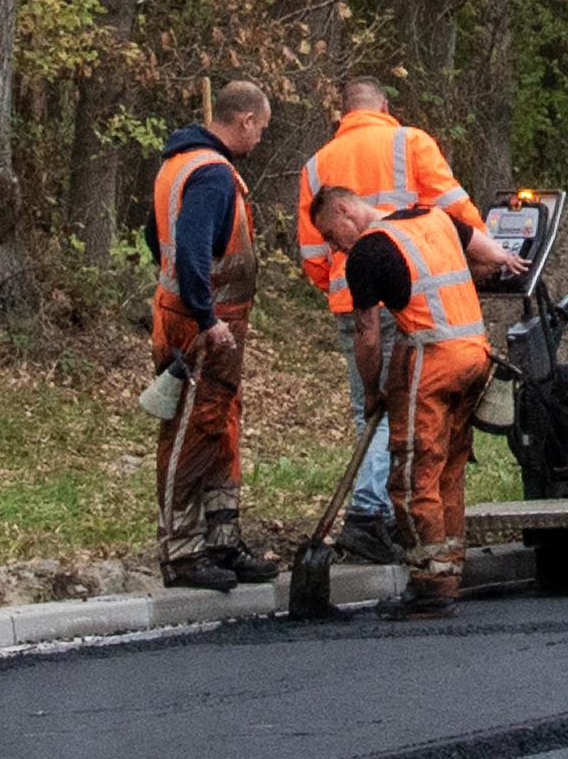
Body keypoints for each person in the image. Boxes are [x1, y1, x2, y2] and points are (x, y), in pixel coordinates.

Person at [317, 172, 526, 614]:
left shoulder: (369, 251)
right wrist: (508, 258)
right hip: (476, 356)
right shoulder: (435, 217)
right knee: (450, 467)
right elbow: (484, 249)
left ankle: (430, 583)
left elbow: (368, 336)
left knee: (414, 473)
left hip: (431, 362)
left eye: (330, 235)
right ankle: (449, 565)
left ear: (345, 210)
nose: (333, 248)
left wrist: (373, 390)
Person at [144, 80, 272, 585]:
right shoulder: (213, 175)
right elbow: (193, 250)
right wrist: (205, 316)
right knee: (191, 432)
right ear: (243, 121)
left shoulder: (179, 164)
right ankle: (180, 553)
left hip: (199, 317)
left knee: (220, 427)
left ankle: (220, 543)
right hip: (202, 325)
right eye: (260, 128)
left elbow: (151, 234)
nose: (260, 138)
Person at [296, 74, 473, 338]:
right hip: (414, 294)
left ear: (344, 114)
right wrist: (481, 259)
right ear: (384, 106)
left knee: (366, 377)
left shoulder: (314, 166)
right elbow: (455, 211)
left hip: (352, 299)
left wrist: (342, 285)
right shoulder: (412, 143)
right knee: (417, 377)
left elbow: (313, 254)